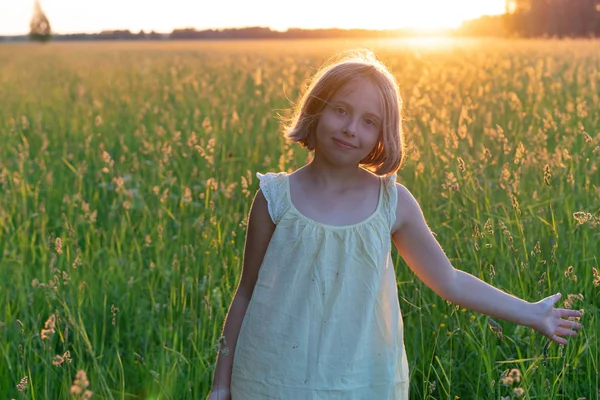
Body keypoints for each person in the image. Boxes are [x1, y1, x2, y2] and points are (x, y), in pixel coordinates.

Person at [206, 50, 582, 400]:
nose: (351, 128)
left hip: (363, 380)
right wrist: (221, 385)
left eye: (369, 122)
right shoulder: (275, 197)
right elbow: (246, 293)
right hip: (272, 378)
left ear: (382, 136)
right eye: (340, 110)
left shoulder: (392, 202)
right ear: (316, 110)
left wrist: (532, 313)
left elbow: (448, 280)